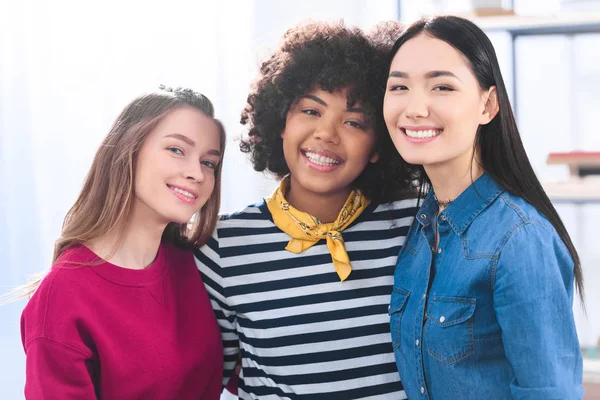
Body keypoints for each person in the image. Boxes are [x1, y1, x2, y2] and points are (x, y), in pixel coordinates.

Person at [195, 21, 419, 399]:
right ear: (280, 122)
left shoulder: (414, 224)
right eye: (311, 111)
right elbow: (210, 377)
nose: (326, 133)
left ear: (379, 143)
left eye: (353, 122)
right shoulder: (223, 247)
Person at [383, 16, 584, 399]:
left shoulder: (521, 239)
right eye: (399, 86)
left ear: (487, 104)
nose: (415, 108)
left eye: (442, 86)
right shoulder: (421, 225)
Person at [19, 86, 227, 399]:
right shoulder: (62, 295)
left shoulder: (198, 263)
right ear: (127, 149)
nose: (197, 173)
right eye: (176, 150)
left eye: (209, 163)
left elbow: (255, 369)